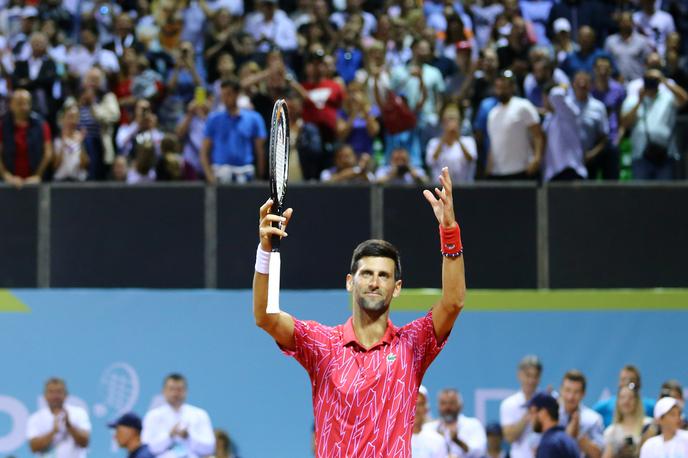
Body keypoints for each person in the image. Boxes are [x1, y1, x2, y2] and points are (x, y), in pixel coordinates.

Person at [252, 166, 466, 457]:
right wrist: (265, 249)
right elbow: (265, 316)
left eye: (384, 275)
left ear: (397, 287)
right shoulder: (322, 344)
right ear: (350, 282)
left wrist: (449, 231)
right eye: (366, 274)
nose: (375, 282)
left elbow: (453, 302)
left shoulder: (413, 345)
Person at [620, 69, 687, 180]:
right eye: (649, 79)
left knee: (665, 195)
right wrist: (639, 101)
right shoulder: (633, 99)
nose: (651, 82)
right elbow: (625, 123)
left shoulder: (668, 97)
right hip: (640, 155)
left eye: (654, 80)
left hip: (666, 155)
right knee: (641, 195)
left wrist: (664, 81)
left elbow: (684, 99)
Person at [200, 78, 266, 184]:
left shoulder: (254, 118)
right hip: (220, 173)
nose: (225, 98)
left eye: (229, 94)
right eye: (223, 95)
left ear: (237, 94)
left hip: (245, 173)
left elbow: (260, 151)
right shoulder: (213, 119)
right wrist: (210, 177)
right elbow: (204, 152)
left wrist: (260, 177)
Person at [141, 373, 216, 457]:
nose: (175, 393)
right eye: (171, 389)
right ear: (163, 391)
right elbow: (147, 448)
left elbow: (209, 447)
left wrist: (188, 437)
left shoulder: (200, 415)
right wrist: (169, 436)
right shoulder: (152, 416)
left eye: (179, 389)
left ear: (186, 391)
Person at [487, 70, 544, 180]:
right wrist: (489, 168)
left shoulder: (523, 106)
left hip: (522, 170)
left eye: (505, 85)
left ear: (512, 87)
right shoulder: (492, 114)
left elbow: (537, 134)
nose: (501, 89)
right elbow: (493, 144)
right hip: (498, 173)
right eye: (498, 86)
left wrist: (537, 158)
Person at [26, 378, 91, 457]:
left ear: (66, 395)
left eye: (59, 392)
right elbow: (33, 447)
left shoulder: (79, 413)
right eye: (51, 392)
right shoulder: (35, 418)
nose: (55, 396)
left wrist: (69, 426)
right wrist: (53, 431)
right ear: (45, 396)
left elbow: (85, 442)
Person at [0, 89, 53, 187]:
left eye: (26, 103)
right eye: (19, 103)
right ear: (11, 105)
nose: (23, 107)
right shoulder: (3, 125)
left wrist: (37, 175)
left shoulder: (42, 124)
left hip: (35, 182)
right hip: (8, 183)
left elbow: (48, 153)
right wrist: (6, 176)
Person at [541, 83, 587, 181]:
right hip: (553, 173)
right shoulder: (549, 118)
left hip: (570, 170)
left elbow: (557, 95)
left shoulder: (568, 112)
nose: (543, 101)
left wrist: (562, 86)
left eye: (544, 98)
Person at [500, 355, 543, 458]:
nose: (531, 380)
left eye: (535, 376)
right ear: (519, 375)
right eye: (528, 375)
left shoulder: (548, 401)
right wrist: (527, 416)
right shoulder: (509, 404)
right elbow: (509, 437)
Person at [424, 388, 487, 458]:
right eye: (443, 403)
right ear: (438, 406)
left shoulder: (473, 425)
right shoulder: (429, 428)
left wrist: (458, 441)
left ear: (460, 405)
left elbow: (479, 452)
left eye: (451, 403)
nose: (447, 407)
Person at [570, 72, 609, 180]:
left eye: (585, 83)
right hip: (569, 160)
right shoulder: (566, 105)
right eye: (579, 83)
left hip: (590, 158)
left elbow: (604, 137)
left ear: (590, 85)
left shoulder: (598, 107)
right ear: (573, 85)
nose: (582, 86)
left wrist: (592, 154)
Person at [558, 370, 605, 458]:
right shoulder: (550, 415)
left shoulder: (593, 419)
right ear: (561, 390)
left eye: (576, 392)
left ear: (583, 394)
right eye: (567, 390)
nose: (570, 397)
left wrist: (578, 435)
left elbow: (598, 454)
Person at [426, 105, 478, 183]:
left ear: (459, 122)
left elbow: (471, 159)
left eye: (454, 120)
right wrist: (445, 137)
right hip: (441, 189)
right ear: (443, 123)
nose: (451, 124)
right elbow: (430, 162)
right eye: (447, 121)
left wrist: (458, 138)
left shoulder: (468, 141)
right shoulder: (433, 143)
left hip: (464, 187)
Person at [601, 384, 653, 458]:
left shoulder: (648, 424)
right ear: (617, 402)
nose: (626, 401)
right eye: (622, 397)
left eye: (630, 397)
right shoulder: (611, 431)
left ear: (637, 401)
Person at [529, 392, 581, 458]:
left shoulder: (549, 444)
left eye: (532, 412)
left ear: (543, 413)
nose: (530, 417)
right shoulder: (569, 439)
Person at [413, 387, 448, 458]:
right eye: (412, 404)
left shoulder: (437, 440)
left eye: (420, 404)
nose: (416, 409)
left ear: (426, 409)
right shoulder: (392, 439)